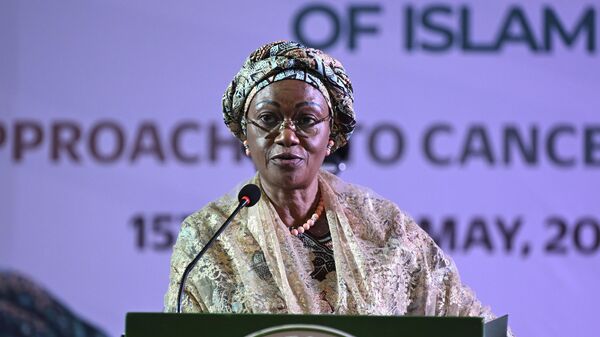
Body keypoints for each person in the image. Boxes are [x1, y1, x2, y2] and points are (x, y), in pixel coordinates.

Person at [164, 41, 505, 325]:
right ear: (245, 136)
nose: (286, 136)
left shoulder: (384, 227)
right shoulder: (208, 237)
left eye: (306, 120)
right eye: (268, 119)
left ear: (333, 135)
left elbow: (470, 323)